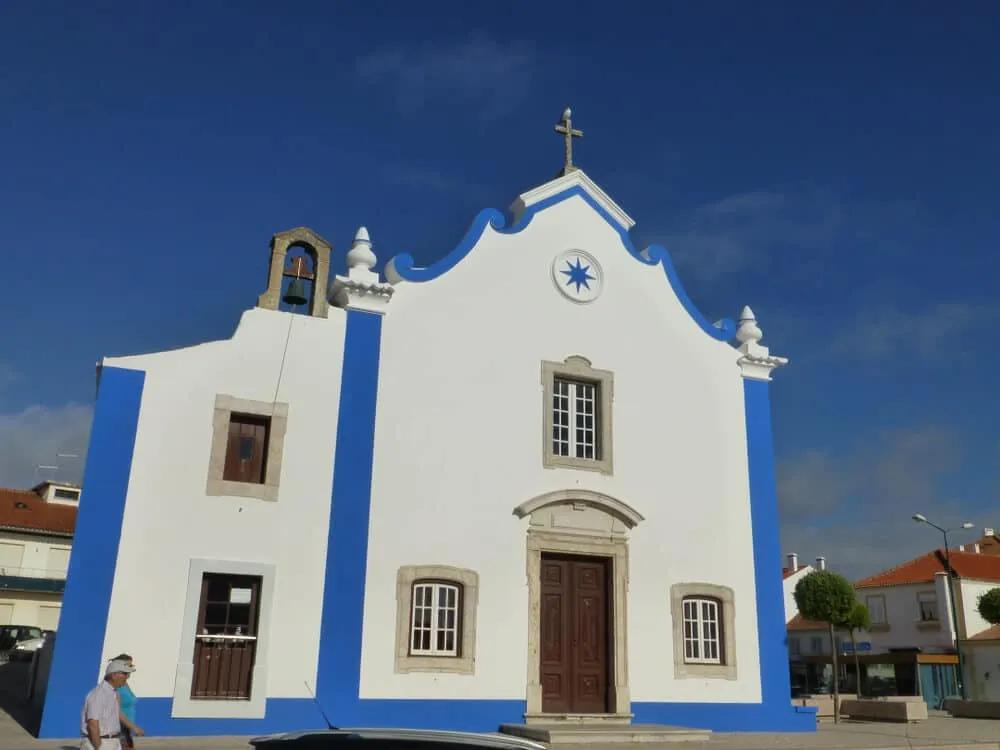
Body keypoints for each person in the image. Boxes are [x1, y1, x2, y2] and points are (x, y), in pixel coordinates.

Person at [81, 658, 134, 749]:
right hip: (101, 742)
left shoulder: (113, 693)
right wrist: (99, 747)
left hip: (111, 741)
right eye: (125, 674)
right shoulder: (99, 694)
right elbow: (93, 724)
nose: (127, 677)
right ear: (114, 675)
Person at [110, 653, 145, 748]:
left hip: (126, 728)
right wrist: (134, 727)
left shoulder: (124, 684)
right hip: (119, 728)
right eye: (128, 665)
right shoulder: (116, 686)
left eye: (131, 665)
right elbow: (116, 711)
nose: (130, 668)